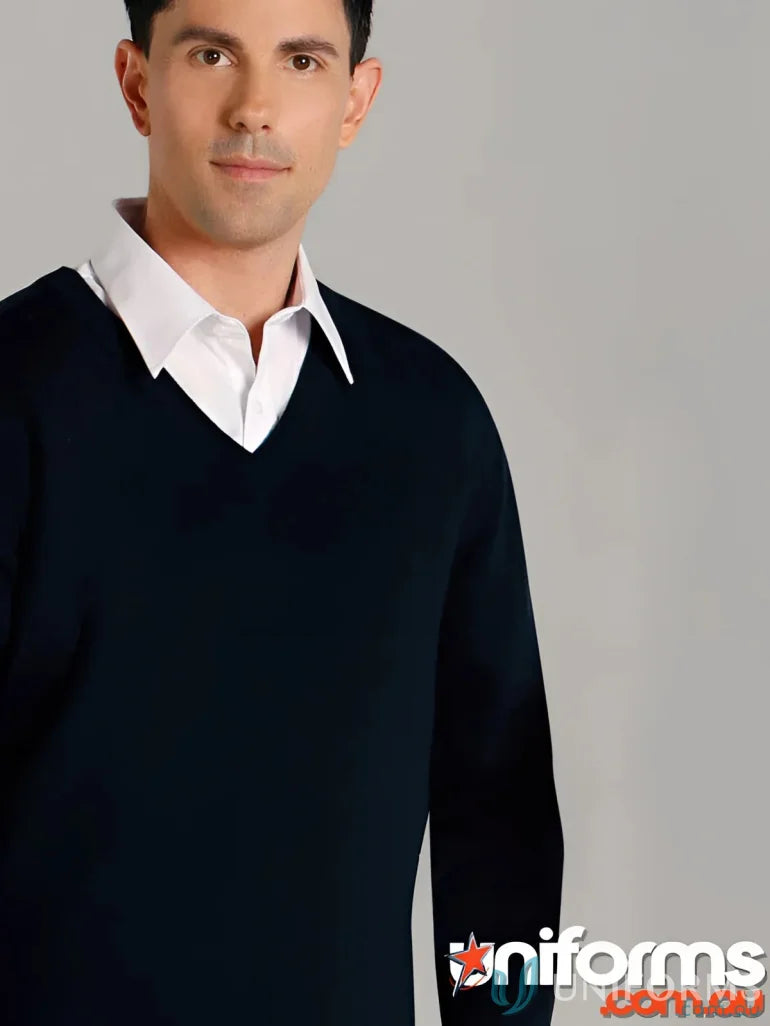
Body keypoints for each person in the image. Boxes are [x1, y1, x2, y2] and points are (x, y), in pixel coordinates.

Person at [0, 0, 564, 1022]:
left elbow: (498, 810)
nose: (254, 106)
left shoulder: (432, 423)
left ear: (354, 100)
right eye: (212, 53)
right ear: (137, 82)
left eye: (302, 62)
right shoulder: (13, 393)